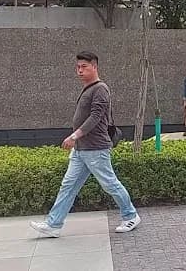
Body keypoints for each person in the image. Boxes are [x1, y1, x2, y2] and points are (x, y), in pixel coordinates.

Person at [30, 51, 140, 238]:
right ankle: (53, 224)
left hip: (96, 148)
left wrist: (74, 136)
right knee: (68, 185)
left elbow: (96, 117)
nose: (80, 71)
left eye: (84, 67)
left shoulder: (100, 89)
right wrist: (77, 140)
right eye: (78, 67)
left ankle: (130, 215)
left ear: (94, 67)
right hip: (81, 149)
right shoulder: (89, 88)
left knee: (110, 184)